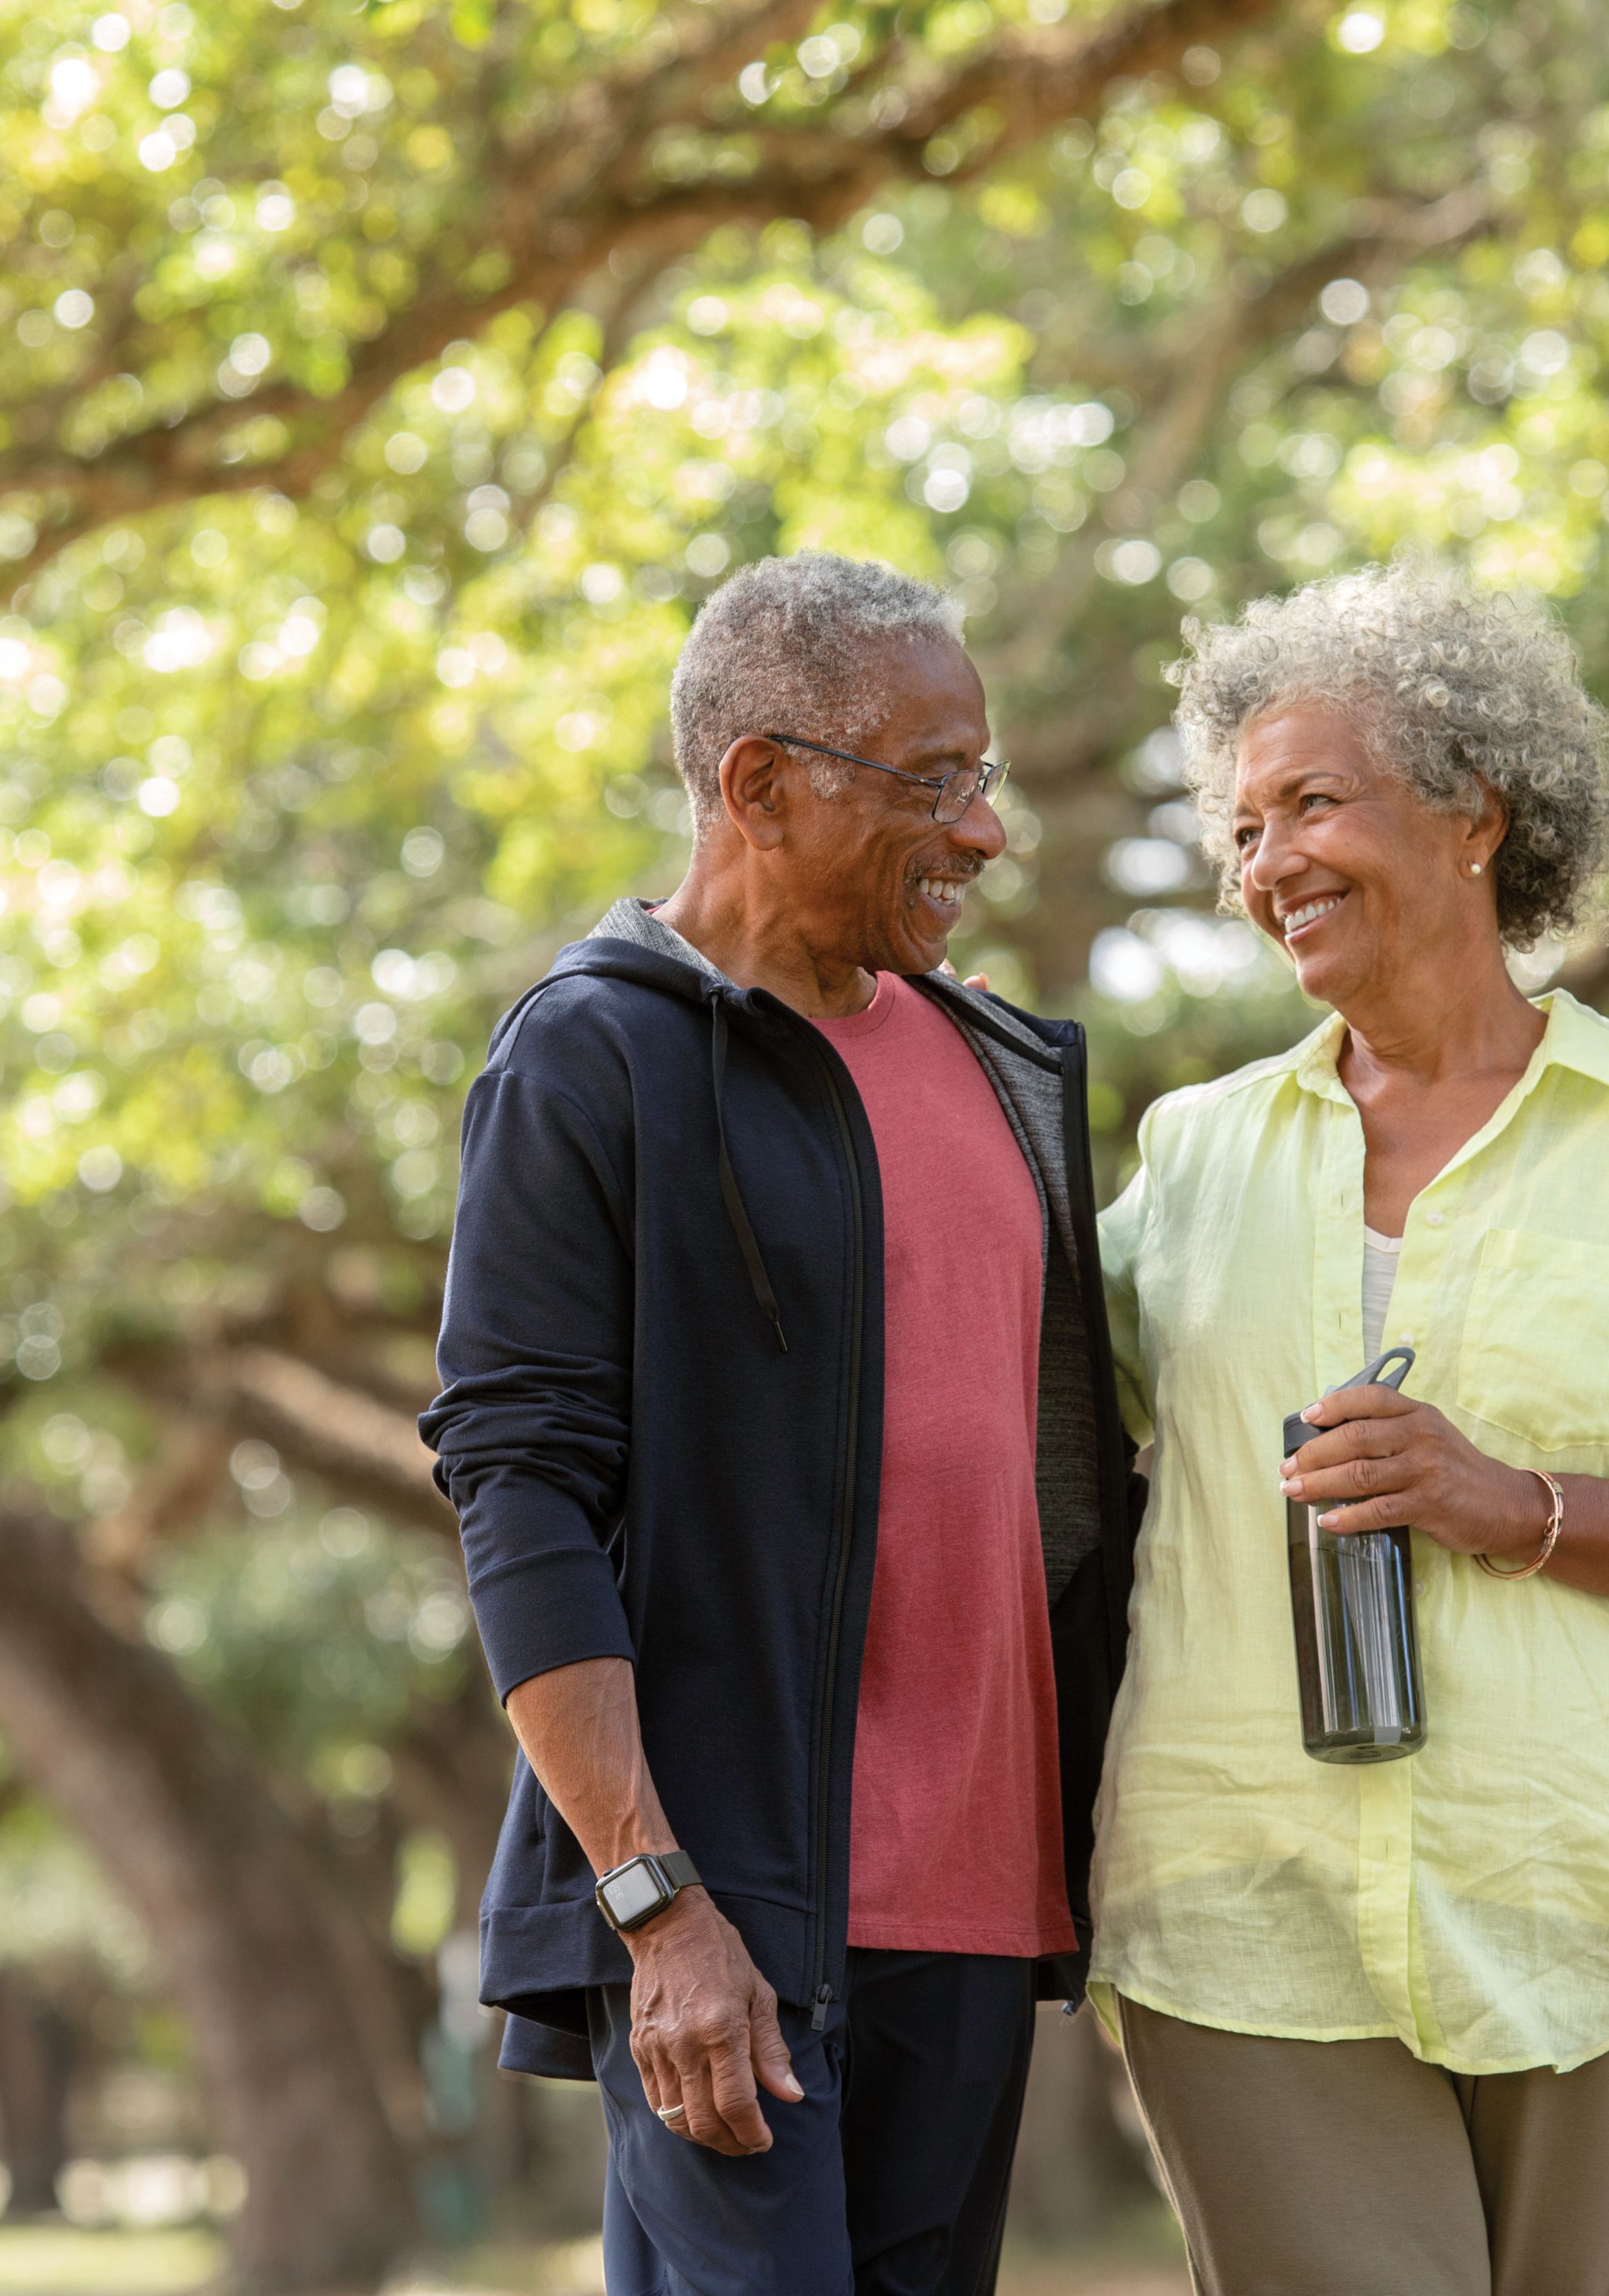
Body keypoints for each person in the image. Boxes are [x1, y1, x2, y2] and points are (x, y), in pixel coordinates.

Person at [1089, 565, 1609, 2296]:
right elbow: (1018, 1409)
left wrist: (1505, 1499)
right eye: (1240, 826)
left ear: (1469, 815)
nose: (1266, 858)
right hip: (1243, 1910)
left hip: (1581, 1902)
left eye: (1310, 801)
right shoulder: (1199, 1153)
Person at [421, 553, 1139, 2296]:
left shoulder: (999, 1066)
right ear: (758, 781)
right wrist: (653, 1899)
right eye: (930, 781)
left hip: (977, 1908)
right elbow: (516, 1490)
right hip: (728, 1904)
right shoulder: (592, 1056)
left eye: (985, 780)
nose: (980, 832)